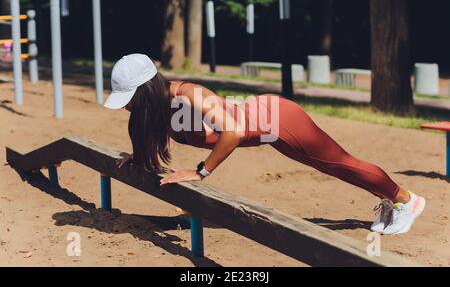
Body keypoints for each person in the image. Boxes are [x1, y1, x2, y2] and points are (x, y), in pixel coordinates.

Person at [104, 54, 425, 235]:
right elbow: (161, 131)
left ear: (144, 91)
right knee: (332, 167)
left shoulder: (189, 95)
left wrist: (200, 172)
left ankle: (406, 200)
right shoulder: (160, 106)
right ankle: (389, 198)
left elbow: (234, 131)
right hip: (267, 128)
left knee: (338, 163)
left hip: (278, 118)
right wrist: (137, 155)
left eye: (128, 99)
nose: (126, 106)